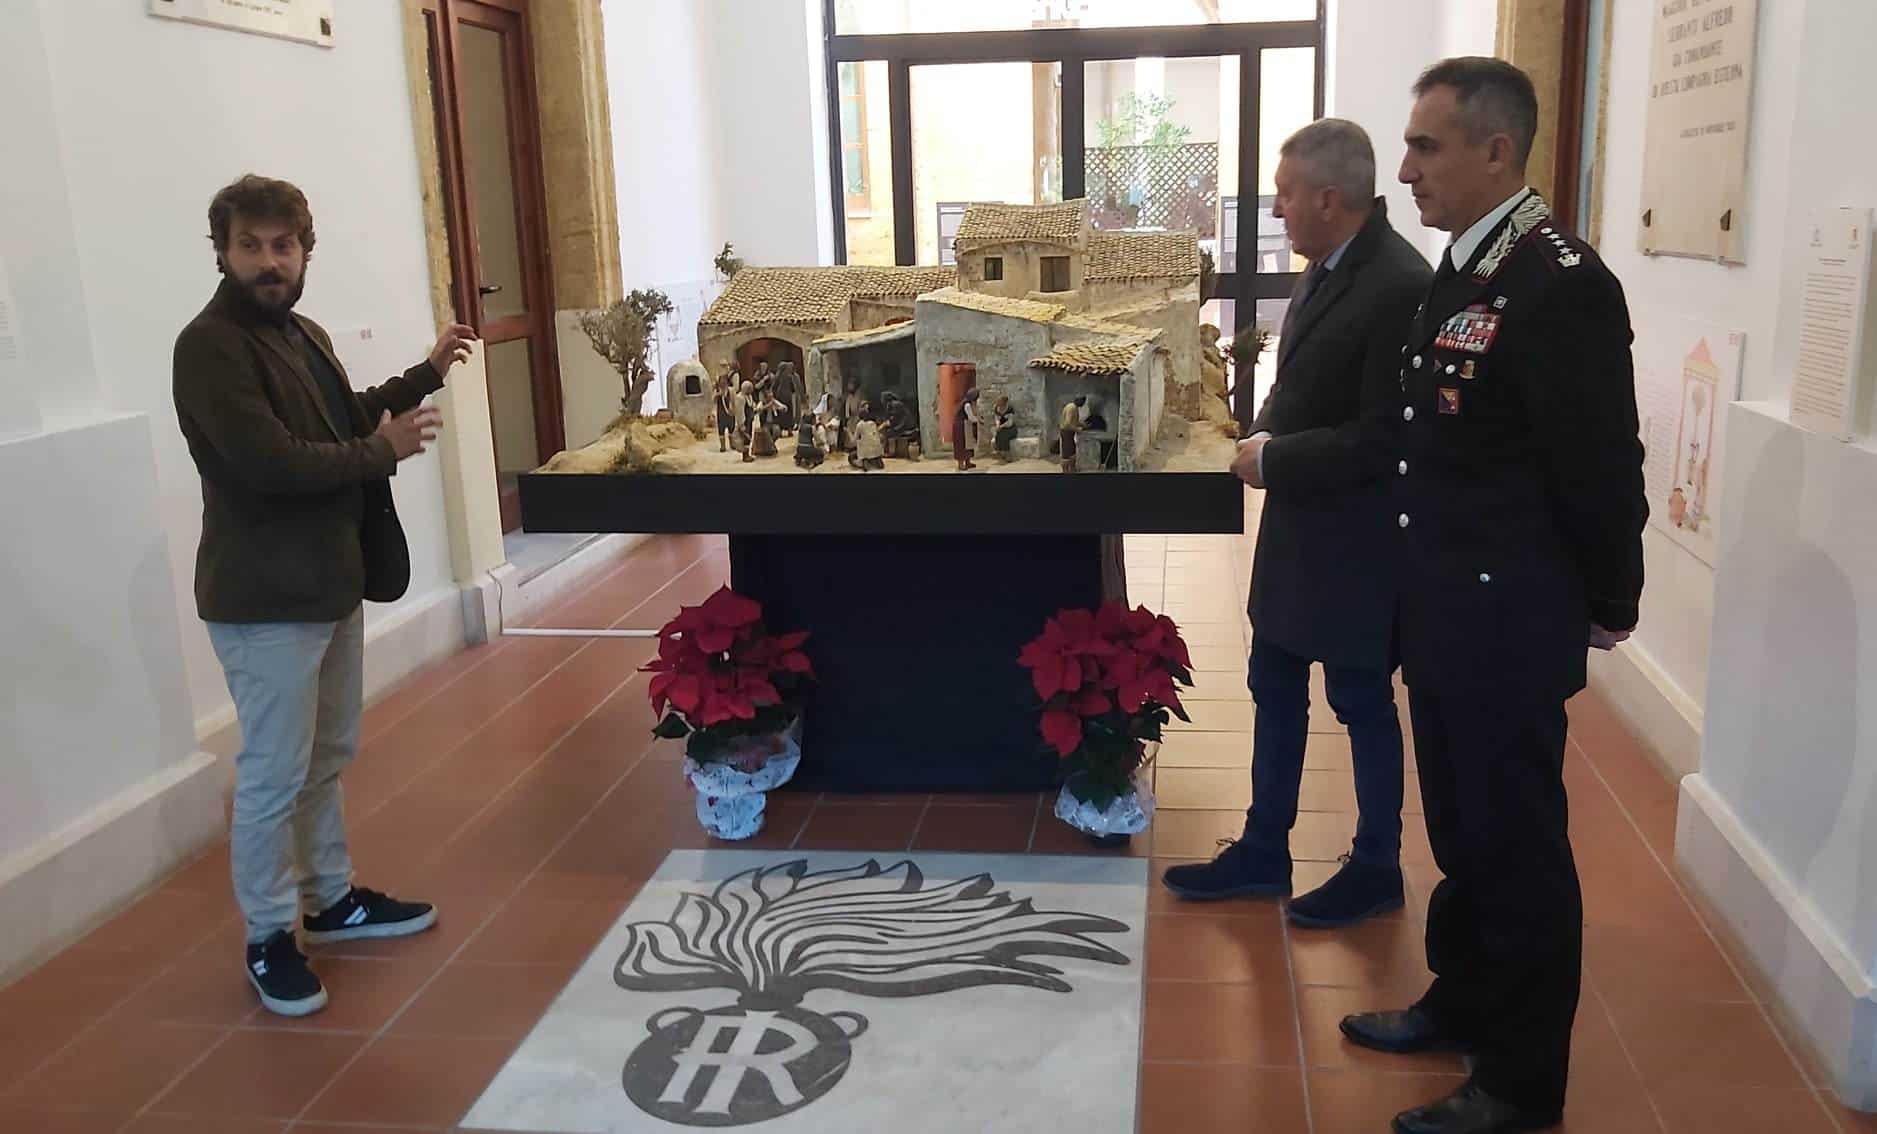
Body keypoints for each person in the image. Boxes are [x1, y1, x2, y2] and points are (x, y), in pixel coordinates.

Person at [1245, 60, 1646, 1134]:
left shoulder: (1556, 282)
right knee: (1464, 834)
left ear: (1495, 151)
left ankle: (1519, 1081)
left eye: (1425, 146)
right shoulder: (1463, 269)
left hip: (1507, 616)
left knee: (1516, 849)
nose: (1407, 168)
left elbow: (1599, 465)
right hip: (1442, 608)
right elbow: (1422, 442)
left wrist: (1611, 596)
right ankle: (1461, 1001)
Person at [172, 175, 476, 1017]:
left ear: (305, 252)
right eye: (250, 246)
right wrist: (383, 452)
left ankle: (330, 902)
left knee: (326, 757)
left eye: (283, 246)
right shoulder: (209, 347)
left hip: (329, 582)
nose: (268, 262)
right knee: (274, 774)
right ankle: (269, 937)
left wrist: (423, 373)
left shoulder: (301, 332)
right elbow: (271, 464)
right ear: (223, 253)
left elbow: (341, 420)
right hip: (263, 598)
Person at [1167, 119, 1431, 930]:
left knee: (1358, 699)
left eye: (1284, 194)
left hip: (1356, 542)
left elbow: (1386, 438)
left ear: (1328, 196)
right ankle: (1263, 849)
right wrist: (1253, 435)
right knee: (1273, 684)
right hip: (1297, 534)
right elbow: (1300, 388)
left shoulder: (1399, 284)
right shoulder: (1324, 267)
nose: (1276, 210)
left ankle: (1377, 865)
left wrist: (1274, 458)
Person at [953, 387, 981, 470]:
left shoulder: (970, 404)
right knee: (961, 444)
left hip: (966, 424)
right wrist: (978, 420)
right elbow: (971, 417)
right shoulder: (967, 404)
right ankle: (961, 464)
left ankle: (968, 462)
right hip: (960, 425)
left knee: (968, 443)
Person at [1057, 395, 1086, 473]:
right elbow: (1068, 424)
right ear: (1079, 400)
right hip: (1066, 432)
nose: (1083, 404)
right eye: (1083, 402)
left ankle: (1072, 469)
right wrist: (1077, 430)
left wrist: (1083, 425)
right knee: (1067, 453)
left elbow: (1074, 421)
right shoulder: (1072, 408)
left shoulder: (1074, 407)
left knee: (1072, 451)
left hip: (1069, 433)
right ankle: (1065, 470)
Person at [991, 394, 1017, 461]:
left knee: (1004, 434)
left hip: (1011, 428)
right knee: (998, 432)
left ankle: (1007, 454)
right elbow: (997, 419)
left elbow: (1010, 422)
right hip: (1001, 428)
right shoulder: (996, 408)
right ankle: (1001, 452)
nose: (998, 404)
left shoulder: (1010, 409)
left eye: (1000, 402)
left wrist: (1001, 426)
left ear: (1004, 403)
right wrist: (998, 425)